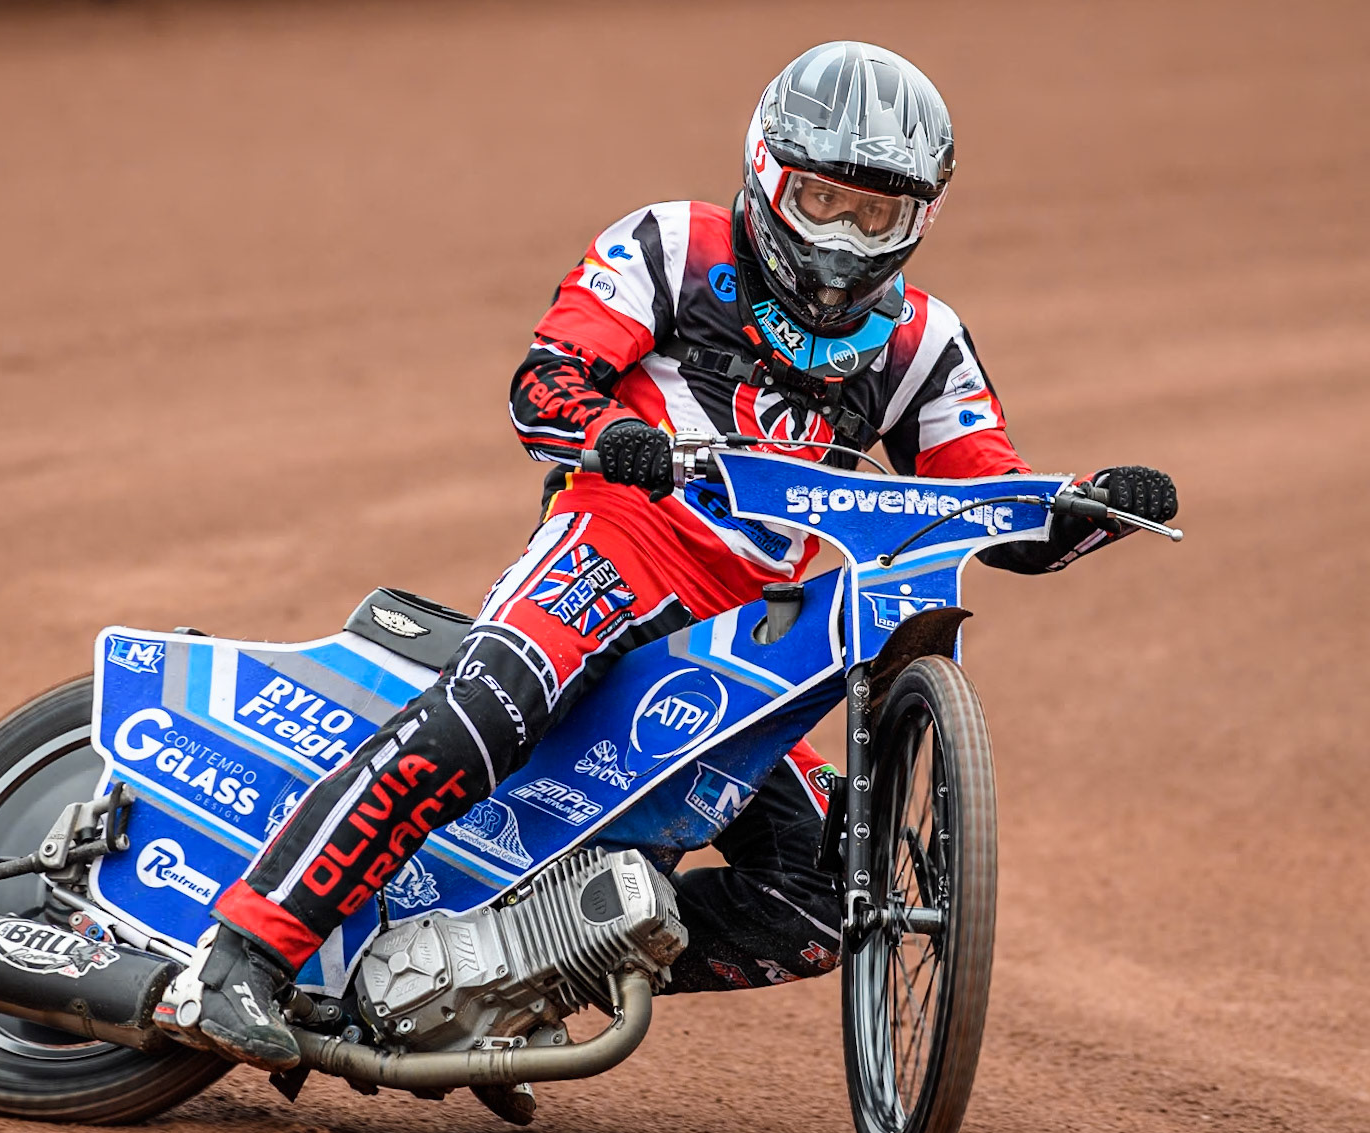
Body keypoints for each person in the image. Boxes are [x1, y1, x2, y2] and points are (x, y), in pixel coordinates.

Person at [157, 41, 1179, 1072]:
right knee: (490, 704)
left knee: (828, 887)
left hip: (752, 637)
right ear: (767, 173)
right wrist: (612, 434)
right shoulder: (672, 244)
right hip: (613, 544)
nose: (841, 237)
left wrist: (1088, 509)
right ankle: (241, 954)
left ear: (919, 219)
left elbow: (987, 502)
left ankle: (515, 976)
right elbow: (544, 382)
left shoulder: (924, 341)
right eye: (822, 199)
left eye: (875, 215)